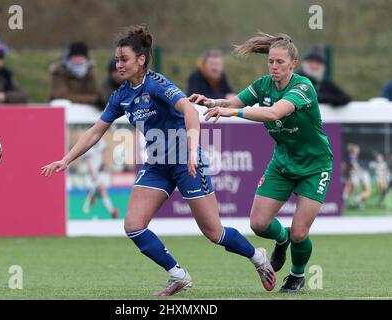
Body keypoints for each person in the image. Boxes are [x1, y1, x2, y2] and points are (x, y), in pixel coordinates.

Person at [42, 25, 276, 296]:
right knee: (133, 226)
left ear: (141, 60)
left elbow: (189, 109)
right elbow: (96, 130)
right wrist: (66, 159)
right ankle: (178, 275)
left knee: (215, 233)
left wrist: (191, 150)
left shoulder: (157, 84)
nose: (118, 64)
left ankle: (257, 257)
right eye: (117, 59)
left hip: (185, 161)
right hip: (156, 165)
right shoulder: (122, 95)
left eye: (124, 59)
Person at [190, 32, 334, 293]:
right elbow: (233, 102)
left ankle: (297, 275)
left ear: (293, 63)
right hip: (282, 163)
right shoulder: (262, 85)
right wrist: (212, 102)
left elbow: (274, 112)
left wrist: (232, 112)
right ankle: (282, 238)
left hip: (315, 166)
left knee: (301, 232)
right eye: (271, 62)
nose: (274, 67)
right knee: (258, 224)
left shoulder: (303, 87)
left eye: (280, 62)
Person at [49, 42, 103, 108]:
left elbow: (97, 94)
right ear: (69, 57)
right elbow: (61, 96)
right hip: (64, 111)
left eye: (81, 56)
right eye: (75, 56)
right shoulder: (59, 72)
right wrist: (93, 100)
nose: (78, 59)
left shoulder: (90, 72)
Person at [82, 139, 120, 219]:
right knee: (101, 189)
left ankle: (112, 212)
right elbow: (89, 164)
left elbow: (105, 155)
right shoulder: (88, 146)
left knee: (102, 191)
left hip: (99, 172)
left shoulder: (102, 142)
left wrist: (104, 163)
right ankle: (92, 194)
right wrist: (95, 176)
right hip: (90, 174)